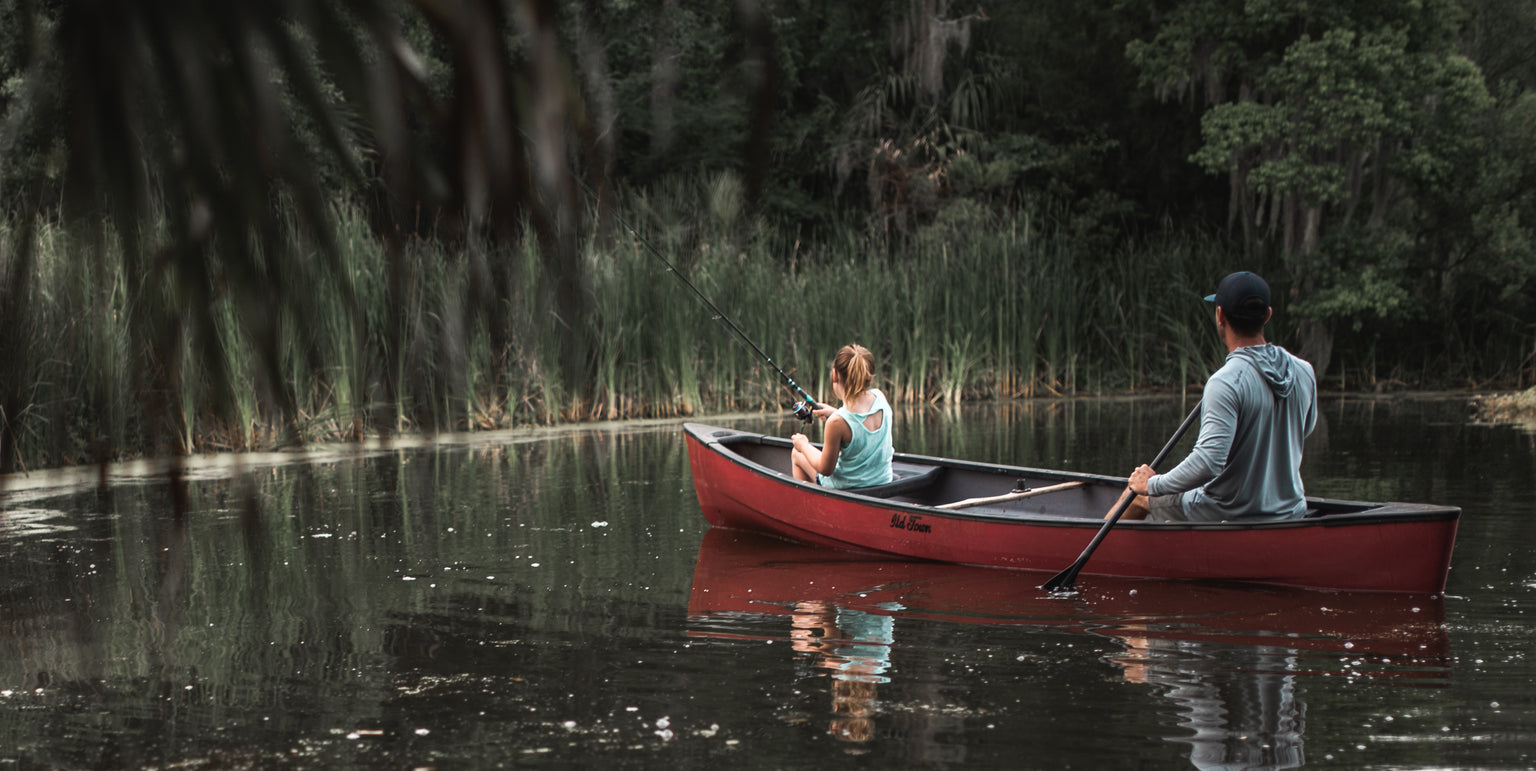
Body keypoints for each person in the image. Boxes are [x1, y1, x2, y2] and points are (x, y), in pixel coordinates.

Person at [1123, 271, 1318, 521]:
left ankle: (1104, 557)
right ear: (1267, 315)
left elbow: (1207, 463)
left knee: (1134, 493)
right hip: (1290, 510)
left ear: (1220, 316)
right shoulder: (1304, 371)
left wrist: (1151, 485)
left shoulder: (1225, 382)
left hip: (1229, 510)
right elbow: (1303, 430)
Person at [791, 344, 894, 489]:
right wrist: (834, 412)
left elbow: (825, 469)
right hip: (883, 481)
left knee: (797, 453)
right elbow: (860, 421)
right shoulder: (880, 397)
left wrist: (803, 445)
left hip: (848, 487)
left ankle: (809, 506)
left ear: (835, 374)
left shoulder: (836, 423)